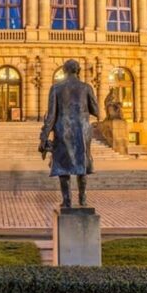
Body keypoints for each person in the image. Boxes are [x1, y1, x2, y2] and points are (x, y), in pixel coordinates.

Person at [39, 59, 100, 208]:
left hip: (63, 131)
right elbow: (96, 111)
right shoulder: (86, 87)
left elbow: (51, 116)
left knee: (63, 167)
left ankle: (67, 201)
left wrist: (44, 137)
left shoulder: (56, 88)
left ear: (64, 71)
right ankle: (82, 200)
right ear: (78, 70)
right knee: (82, 165)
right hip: (82, 130)